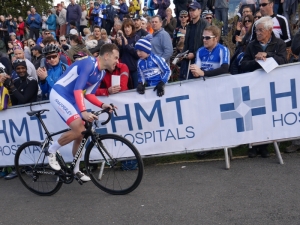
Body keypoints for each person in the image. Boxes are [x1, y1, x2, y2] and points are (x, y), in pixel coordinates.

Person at [46, 43, 118, 181]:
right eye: (115, 57)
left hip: (72, 98)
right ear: (107, 56)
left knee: (81, 133)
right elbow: (78, 89)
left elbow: (89, 94)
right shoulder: (88, 63)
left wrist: (103, 105)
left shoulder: (101, 73)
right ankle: (51, 150)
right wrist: (84, 111)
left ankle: (76, 169)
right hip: (59, 94)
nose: (117, 61)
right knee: (79, 129)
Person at [240, 16, 287, 157]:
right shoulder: (252, 45)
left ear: (269, 30)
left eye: (260, 30)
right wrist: (256, 60)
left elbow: (283, 60)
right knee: (254, 115)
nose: (257, 33)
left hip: (272, 86)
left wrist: (268, 55)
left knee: (267, 115)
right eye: (256, 30)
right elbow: (243, 65)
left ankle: (265, 146)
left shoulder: (279, 43)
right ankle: (253, 146)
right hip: (255, 85)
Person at [180, 2, 209, 80]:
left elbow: (208, 43)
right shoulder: (189, 26)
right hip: (188, 59)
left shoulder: (205, 24)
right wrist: (182, 54)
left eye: (193, 10)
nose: (191, 12)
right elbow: (187, 43)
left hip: (200, 60)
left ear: (200, 11)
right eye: (190, 10)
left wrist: (195, 54)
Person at [116, 19, 140, 88]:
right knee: (126, 89)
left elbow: (137, 54)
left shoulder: (136, 38)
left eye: (128, 27)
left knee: (136, 88)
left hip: (135, 69)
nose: (127, 29)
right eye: (125, 27)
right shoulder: (122, 38)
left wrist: (127, 46)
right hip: (125, 69)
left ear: (132, 28)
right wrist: (119, 46)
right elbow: (119, 56)